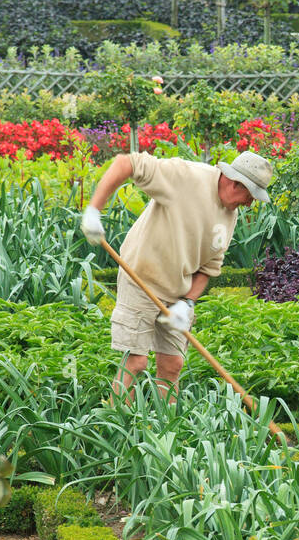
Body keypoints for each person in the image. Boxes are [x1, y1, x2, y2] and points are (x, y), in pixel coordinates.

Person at [80, 148, 272, 400]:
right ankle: (117, 420)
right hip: (140, 278)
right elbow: (126, 163)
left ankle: (167, 422)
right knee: (136, 363)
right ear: (236, 183)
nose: (249, 204)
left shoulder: (229, 215)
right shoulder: (186, 177)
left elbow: (209, 268)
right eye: (250, 196)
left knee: (172, 365)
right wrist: (94, 210)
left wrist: (187, 302)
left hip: (178, 293)